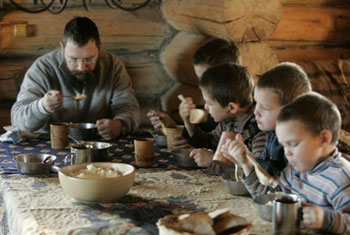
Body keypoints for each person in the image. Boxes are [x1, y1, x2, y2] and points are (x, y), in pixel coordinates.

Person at [222, 92, 350, 234]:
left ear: (324, 139)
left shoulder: (341, 178)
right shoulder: (294, 171)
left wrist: (326, 219)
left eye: (293, 144)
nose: (287, 153)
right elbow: (270, 199)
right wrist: (246, 164)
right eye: (284, 146)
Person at [11, 16, 140, 140]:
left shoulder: (113, 65)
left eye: (89, 59)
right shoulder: (43, 68)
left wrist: (120, 125)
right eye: (73, 59)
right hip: (50, 144)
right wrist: (42, 106)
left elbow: (128, 107)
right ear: (62, 48)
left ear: (99, 47)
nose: (82, 67)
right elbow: (18, 120)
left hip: (97, 143)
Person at [225, 62, 312, 177]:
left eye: (265, 107)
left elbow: (278, 183)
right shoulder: (272, 134)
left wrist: (247, 162)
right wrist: (243, 159)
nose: (256, 111)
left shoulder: (298, 146)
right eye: (256, 103)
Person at [180, 63, 266, 177]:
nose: (206, 107)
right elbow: (210, 142)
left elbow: (259, 174)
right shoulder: (230, 122)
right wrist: (188, 123)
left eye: (210, 103)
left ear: (231, 107)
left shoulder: (260, 130)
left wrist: (212, 162)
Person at [147, 38, 241, 133]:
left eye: (205, 80)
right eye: (199, 79)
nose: (200, 86)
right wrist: (173, 126)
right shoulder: (217, 103)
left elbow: (213, 141)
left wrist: (191, 138)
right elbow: (206, 132)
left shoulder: (244, 111)